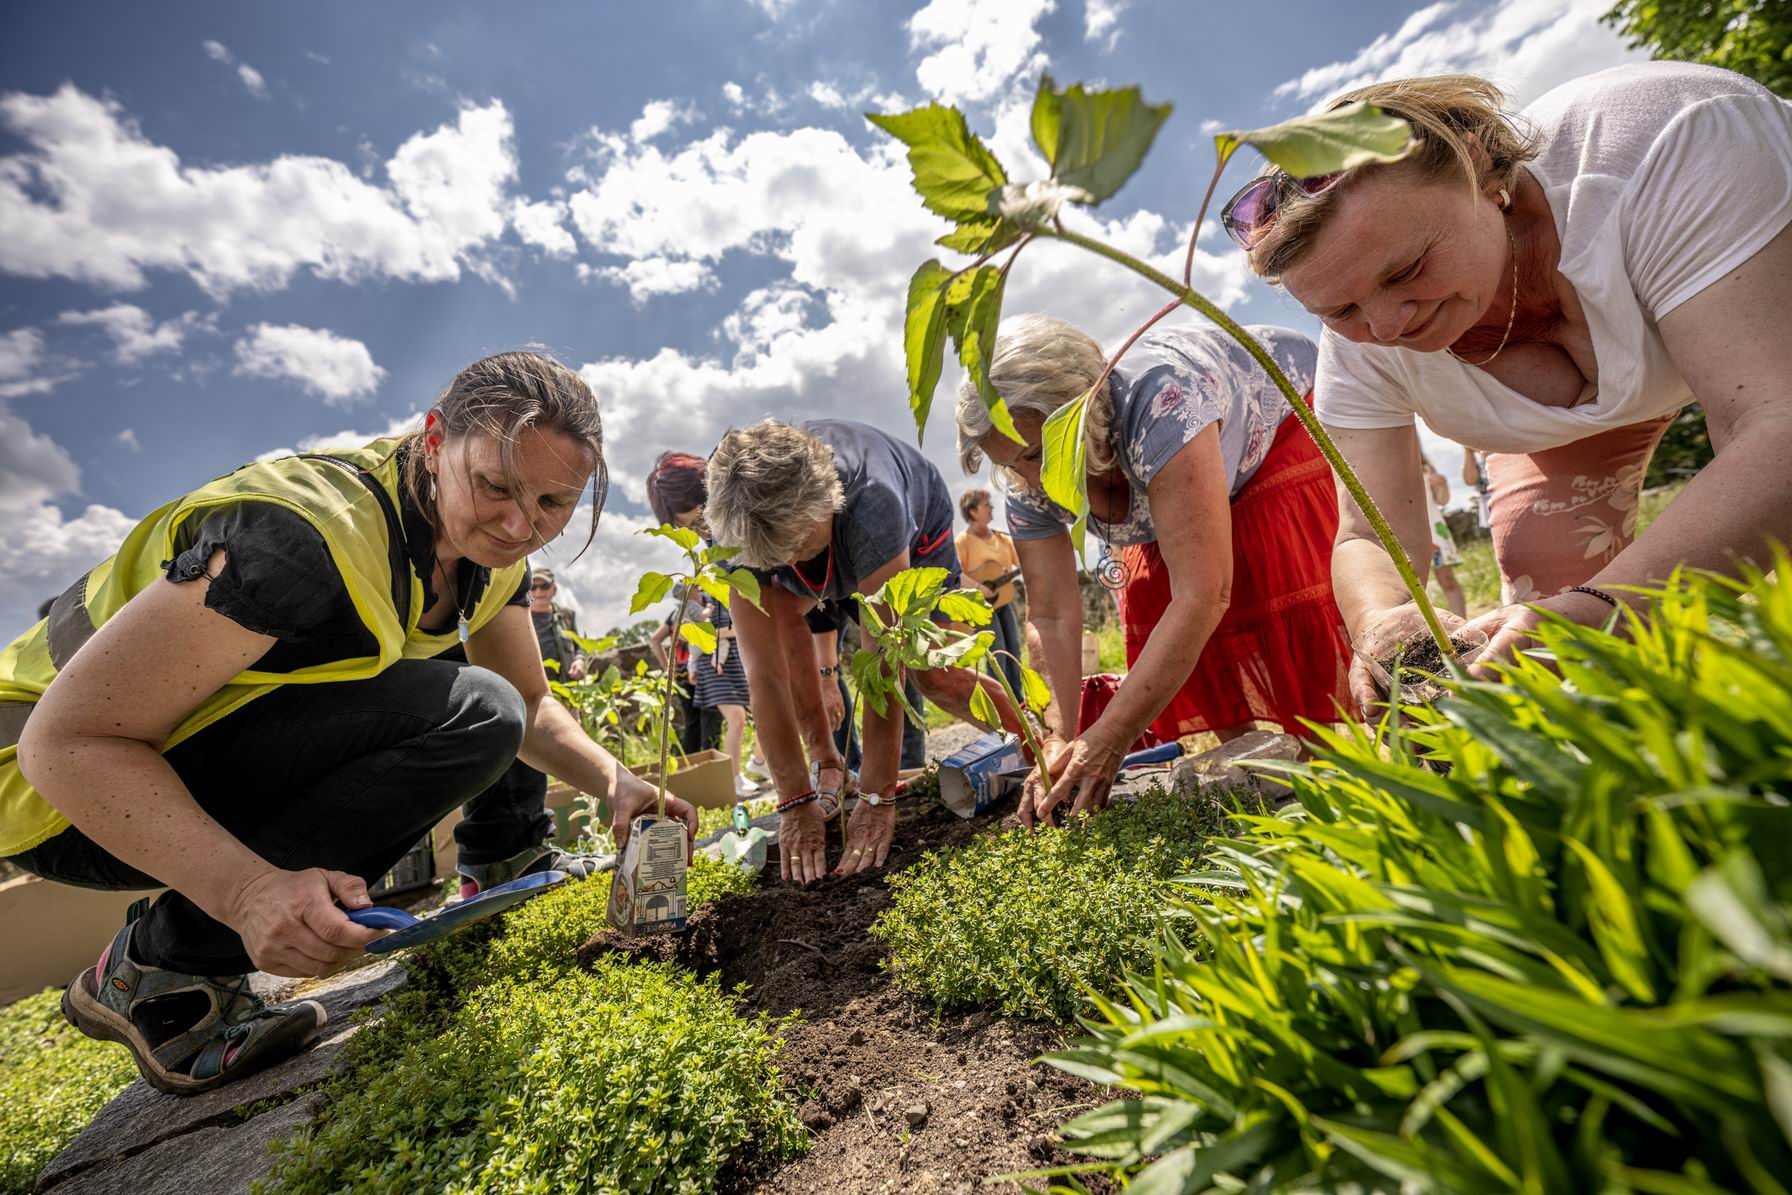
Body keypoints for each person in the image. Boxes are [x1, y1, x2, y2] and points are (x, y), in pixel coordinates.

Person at [0, 351, 696, 1095]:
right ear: (434, 440)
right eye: (495, 485)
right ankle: (164, 971)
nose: (522, 522)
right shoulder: (306, 539)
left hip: (161, 755)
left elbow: (528, 703)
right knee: (471, 708)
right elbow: (67, 741)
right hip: (55, 790)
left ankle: (508, 862)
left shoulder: (486, 556)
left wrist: (616, 781)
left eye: (555, 503)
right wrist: (247, 892)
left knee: (487, 703)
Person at [1221, 64, 1792, 709]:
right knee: (1550, 628)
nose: (1385, 327)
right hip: (1586, 429)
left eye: (1407, 269)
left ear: (1483, 173)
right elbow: (1369, 535)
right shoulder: (1362, 342)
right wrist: (1383, 626)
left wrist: (1610, 606)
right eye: (1339, 311)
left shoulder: (1668, 144)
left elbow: (1778, 425)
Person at [956, 315, 1353, 827]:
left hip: (1273, 426)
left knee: (1260, 584)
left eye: (1038, 455)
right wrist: (1060, 735)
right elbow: (1051, 614)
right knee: (1154, 601)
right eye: (1012, 464)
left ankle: (1330, 784)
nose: (1036, 481)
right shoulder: (1024, 479)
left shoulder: (1162, 400)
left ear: (1084, 410)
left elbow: (1203, 593)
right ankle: (1263, 780)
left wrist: (1110, 739)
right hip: (1179, 469)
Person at [705, 419, 1025, 883]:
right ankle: (828, 763)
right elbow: (765, 678)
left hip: (915, 531)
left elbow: (883, 664)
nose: (789, 563)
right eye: (774, 557)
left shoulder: (873, 501)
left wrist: (877, 796)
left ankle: (1036, 743)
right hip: (813, 530)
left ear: (823, 509)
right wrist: (793, 801)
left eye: (795, 547)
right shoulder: (737, 529)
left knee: (928, 672)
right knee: (784, 634)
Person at [449, 565, 606, 899]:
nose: (538, 591)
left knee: (500, 712)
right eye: (535, 586)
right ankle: (509, 855)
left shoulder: (560, 614)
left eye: (544, 585)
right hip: (520, 683)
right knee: (500, 706)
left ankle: (486, 861)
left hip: (550, 684)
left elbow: (536, 695)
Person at [955, 487, 1024, 697]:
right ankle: (1000, 700)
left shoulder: (1002, 538)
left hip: (1003, 602)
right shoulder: (962, 542)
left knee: (1013, 649)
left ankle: (1018, 700)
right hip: (980, 607)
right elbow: (955, 574)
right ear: (973, 511)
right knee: (997, 653)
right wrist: (978, 587)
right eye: (987, 505)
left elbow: (1022, 561)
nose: (992, 508)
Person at [692, 595, 759, 798]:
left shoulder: (733, 595)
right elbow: (698, 633)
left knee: (762, 714)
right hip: (713, 666)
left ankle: (759, 763)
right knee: (737, 720)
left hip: (735, 663)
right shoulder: (703, 600)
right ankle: (734, 778)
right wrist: (739, 629)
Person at [648, 583, 712, 753]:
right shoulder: (700, 607)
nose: (699, 591)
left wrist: (668, 668)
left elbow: (655, 640)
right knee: (704, 716)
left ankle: (691, 758)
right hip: (700, 667)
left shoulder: (675, 614)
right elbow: (654, 640)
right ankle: (697, 757)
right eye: (696, 589)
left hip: (682, 671)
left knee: (693, 718)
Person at [1421, 457, 1467, 617]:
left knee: (1446, 579)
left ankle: (1462, 623)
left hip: (1434, 531)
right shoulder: (1386, 468)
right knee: (1415, 587)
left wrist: (1442, 485)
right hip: (1405, 533)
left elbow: (1442, 500)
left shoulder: (1426, 468)